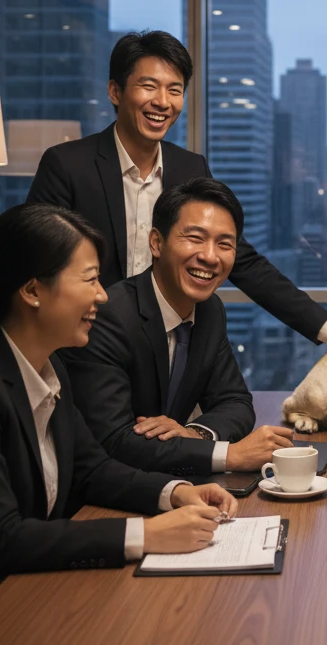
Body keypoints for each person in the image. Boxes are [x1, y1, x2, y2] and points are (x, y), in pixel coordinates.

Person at [0, 203, 238, 635]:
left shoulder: (49, 369)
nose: (101, 295)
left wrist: (176, 492)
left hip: (31, 594)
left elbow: (92, 470)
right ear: (34, 291)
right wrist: (147, 536)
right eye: (91, 279)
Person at [28, 29, 327, 350]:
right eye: (149, 86)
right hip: (83, 347)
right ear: (115, 92)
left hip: (164, 347)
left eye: (175, 90)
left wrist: (326, 325)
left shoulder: (190, 168)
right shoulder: (68, 165)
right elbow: (37, 261)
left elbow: (242, 260)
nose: (163, 102)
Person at [62, 177, 294, 475]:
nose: (210, 257)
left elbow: (234, 401)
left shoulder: (210, 311)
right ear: (156, 243)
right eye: (195, 238)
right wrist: (228, 455)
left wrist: (196, 434)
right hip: (96, 497)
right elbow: (114, 440)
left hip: (170, 482)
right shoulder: (109, 316)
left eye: (224, 244)